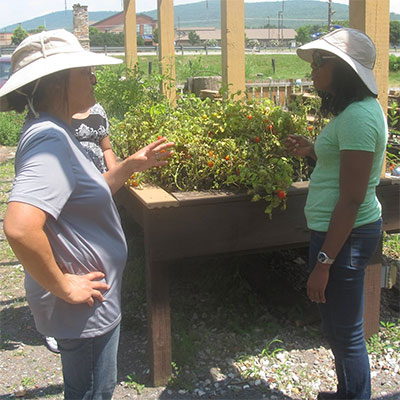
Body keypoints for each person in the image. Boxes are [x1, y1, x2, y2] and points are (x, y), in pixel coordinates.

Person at [0, 29, 173, 399]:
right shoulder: (50, 138)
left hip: (89, 308)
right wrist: (64, 285)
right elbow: (19, 227)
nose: (94, 78)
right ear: (57, 81)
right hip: (85, 310)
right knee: (93, 392)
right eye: (85, 71)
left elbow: (82, 196)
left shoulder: (57, 132)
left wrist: (129, 165)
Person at [286, 28, 387, 400]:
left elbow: (352, 198)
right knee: (336, 327)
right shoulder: (352, 113)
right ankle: (348, 393)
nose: (312, 72)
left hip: (346, 235)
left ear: (342, 67)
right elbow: (344, 164)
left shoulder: (360, 117)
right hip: (339, 233)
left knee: (346, 332)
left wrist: (325, 262)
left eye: (318, 63)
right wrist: (314, 150)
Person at [71, 72, 116, 174]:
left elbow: (106, 148)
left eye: (93, 80)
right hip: (74, 178)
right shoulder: (61, 115)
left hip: (100, 176)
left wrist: (114, 172)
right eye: (89, 80)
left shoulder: (98, 111)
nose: (93, 84)